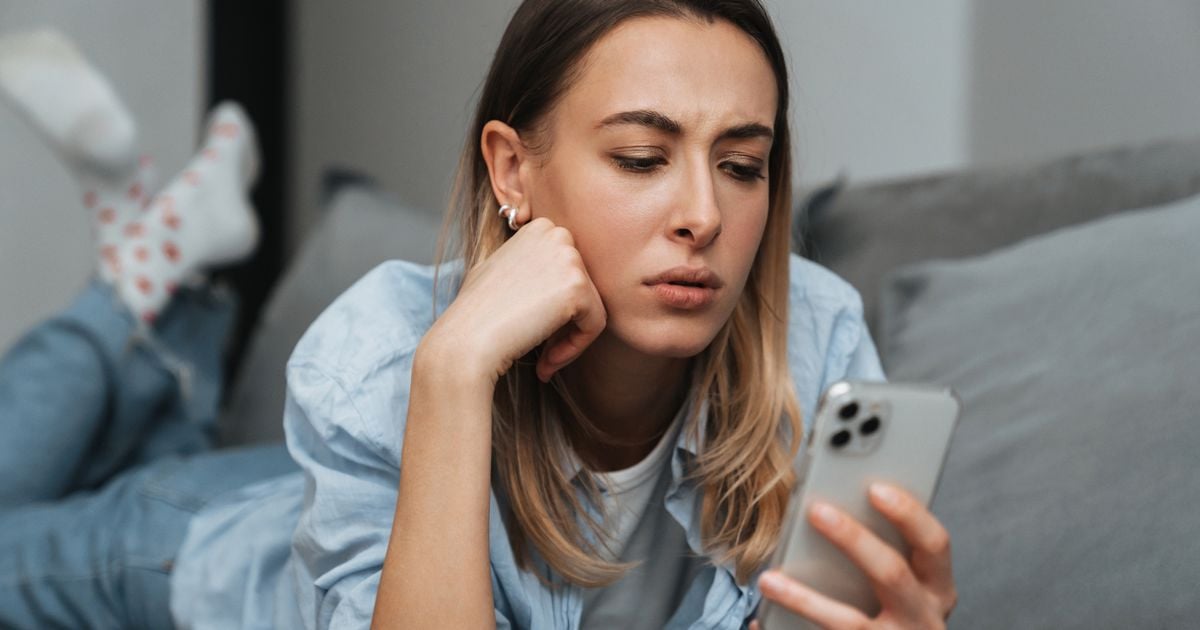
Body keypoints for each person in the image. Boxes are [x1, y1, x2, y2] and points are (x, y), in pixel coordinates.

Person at [1, 1, 959, 627]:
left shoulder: (816, 341)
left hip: (332, 480)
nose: (704, 216)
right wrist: (452, 373)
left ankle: (153, 267)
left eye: (742, 166)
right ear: (513, 170)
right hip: (195, 550)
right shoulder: (381, 351)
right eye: (640, 158)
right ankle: (129, 294)